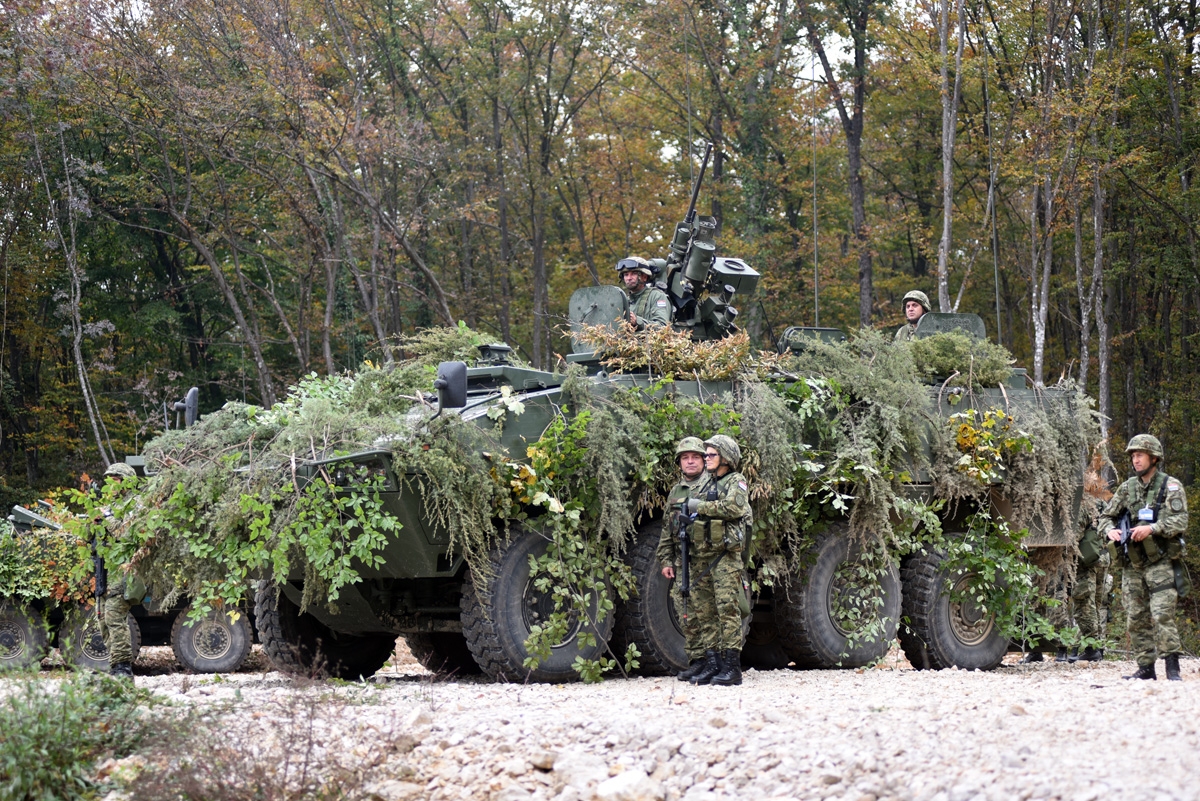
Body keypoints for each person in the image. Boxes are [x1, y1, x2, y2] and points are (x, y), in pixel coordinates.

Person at [1099, 434, 1188, 681]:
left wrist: (1152, 528)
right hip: (1133, 563)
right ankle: (1146, 668)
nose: (1135, 460)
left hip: (1160, 561)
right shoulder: (1127, 488)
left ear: (1154, 458)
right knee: (1135, 617)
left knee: (1162, 614)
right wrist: (1109, 530)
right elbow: (1105, 516)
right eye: (1133, 456)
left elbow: (1180, 521)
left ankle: (1172, 668)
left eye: (1139, 455)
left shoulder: (1171, 486)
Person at [674, 435, 751, 686]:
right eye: (705, 455)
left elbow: (733, 508)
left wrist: (700, 506)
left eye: (711, 455)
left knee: (726, 610)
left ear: (726, 458)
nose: (706, 458)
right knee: (705, 613)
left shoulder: (736, 481)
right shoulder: (707, 484)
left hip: (725, 557)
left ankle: (732, 667)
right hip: (702, 556)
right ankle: (713, 662)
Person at [656, 437, 713, 681]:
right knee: (686, 611)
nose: (690, 461)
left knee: (710, 612)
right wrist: (666, 560)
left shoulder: (715, 485)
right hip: (683, 561)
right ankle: (697, 661)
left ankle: (716, 662)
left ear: (703, 459)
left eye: (695, 457)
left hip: (709, 561)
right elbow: (667, 530)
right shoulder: (676, 491)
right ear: (680, 462)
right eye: (685, 458)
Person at [93, 462, 140, 679]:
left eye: (116, 479)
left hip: (123, 571)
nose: (110, 484)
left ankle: (122, 668)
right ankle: (115, 665)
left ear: (126, 481)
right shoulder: (110, 505)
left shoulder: (134, 504)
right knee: (101, 619)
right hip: (105, 571)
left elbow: (126, 534)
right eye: (109, 480)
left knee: (114, 618)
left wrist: (107, 517)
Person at [616, 256, 670, 330]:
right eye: (626, 274)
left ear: (644, 277)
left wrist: (637, 321)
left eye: (634, 273)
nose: (629, 278)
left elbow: (663, 327)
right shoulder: (624, 301)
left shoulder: (657, 296)